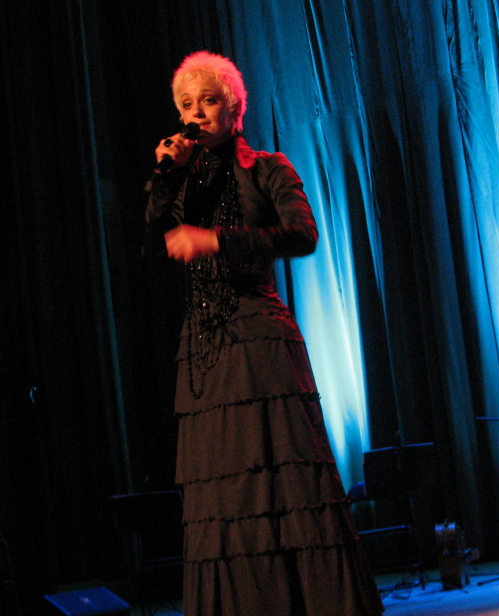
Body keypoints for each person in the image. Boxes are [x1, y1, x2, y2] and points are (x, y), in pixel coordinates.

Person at [144, 51, 384, 616]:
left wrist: (217, 240)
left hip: (259, 339)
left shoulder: (266, 167)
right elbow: (153, 241)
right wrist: (164, 175)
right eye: (186, 104)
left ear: (234, 108)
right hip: (202, 354)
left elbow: (303, 234)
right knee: (223, 492)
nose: (196, 113)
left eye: (208, 101)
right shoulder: (184, 179)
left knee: (284, 482)